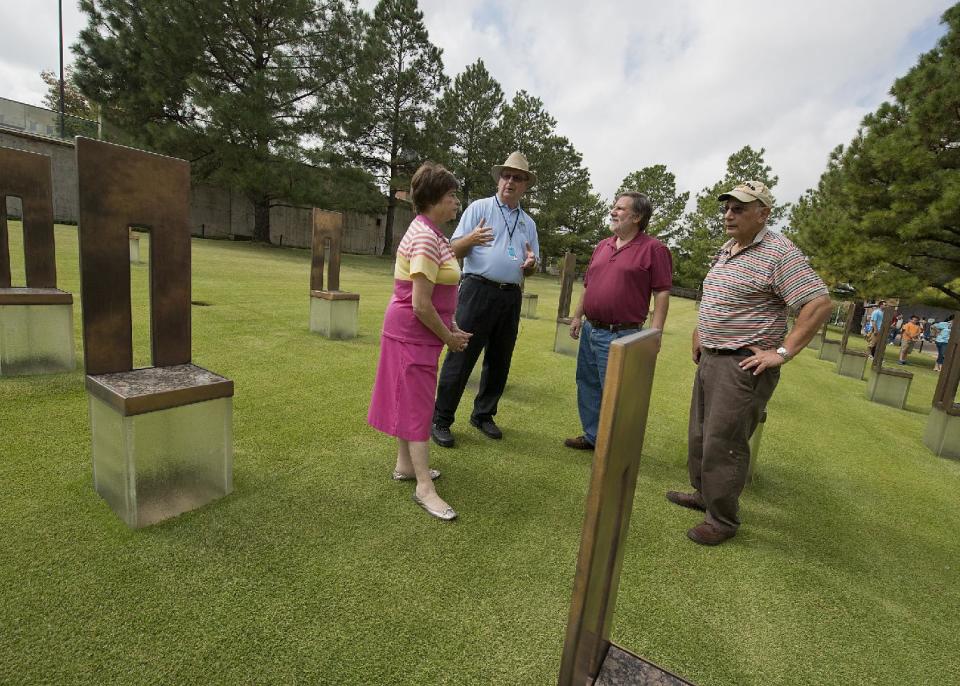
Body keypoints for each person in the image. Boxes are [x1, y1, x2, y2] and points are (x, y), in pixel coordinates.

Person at [666, 181, 832, 546]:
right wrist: (700, 331)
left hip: (742, 365)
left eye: (739, 208)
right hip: (712, 357)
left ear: (763, 213)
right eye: (727, 208)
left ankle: (722, 519)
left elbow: (818, 303)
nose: (729, 214)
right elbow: (720, 297)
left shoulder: (779, 253)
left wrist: (782, 353)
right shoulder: (729, 249)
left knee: (724, 441)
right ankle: (704, 495)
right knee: (700, 435)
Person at [368, 162, 472, 521]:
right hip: (412, 334)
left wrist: (453, 323)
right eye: (451, 196)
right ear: (432, 200)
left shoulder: (432, 232)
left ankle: (405, 465)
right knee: (417, 407)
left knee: (409, 400)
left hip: (417, 335)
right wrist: (450, 338)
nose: (456, 202)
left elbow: (442, 293)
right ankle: (424, 486)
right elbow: (421, 304)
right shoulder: (427, 237)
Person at [430, 152, 540, 448]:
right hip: (477, 290)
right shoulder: (479, 208)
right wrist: (471, 240)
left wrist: (531, 264)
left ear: (525, 184)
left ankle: (483, 414)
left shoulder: (528, 223)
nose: (510, 181)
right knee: (461, 353)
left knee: (500, 358)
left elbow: (533, 263)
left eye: (517, 177)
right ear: (499, 179)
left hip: (511, 295)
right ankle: (441, 419)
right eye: (506, 175)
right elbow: (452, 249)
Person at [563, 191, 672, 450]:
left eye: (620, 208)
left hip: (621, 335)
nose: (613, 211)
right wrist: (578, 316)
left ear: (637, 217)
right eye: (614, 207)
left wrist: (654, 334)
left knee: (617, 393)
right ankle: (593, 437)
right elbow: (589, 285)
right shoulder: (603, 245)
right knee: (588, 385)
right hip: (591, 330)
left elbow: (662, 292)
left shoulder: (654, 249)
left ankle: (615, 447)